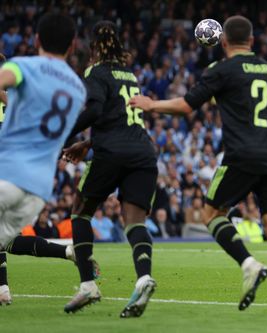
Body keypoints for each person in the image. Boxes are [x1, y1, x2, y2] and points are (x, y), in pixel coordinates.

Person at [130, 15, 267, 318]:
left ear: (224, 42)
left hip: (241, 156)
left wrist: (152, 104)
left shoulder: (221, 70)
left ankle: (249, 264)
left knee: (211, 214)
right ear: (253, 42)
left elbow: (186, 106)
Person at [62, 21, 158, 318]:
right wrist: (88, 143)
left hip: (112, 153)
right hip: (143, 153)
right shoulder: (129, 75)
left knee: (80, 210)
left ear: (93, 48)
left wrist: (66, 135)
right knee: (134, 222)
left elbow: (95, 110)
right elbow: (121, 121)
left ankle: (88, 284)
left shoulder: (95, 71)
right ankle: (143, 277)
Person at [0, 14, 87, 305]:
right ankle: (2, 290)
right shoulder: (77, 88)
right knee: (5, 243)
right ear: (72, 46)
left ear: (36, 40)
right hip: (37, 191)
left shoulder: (23, 66)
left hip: (7, 175)